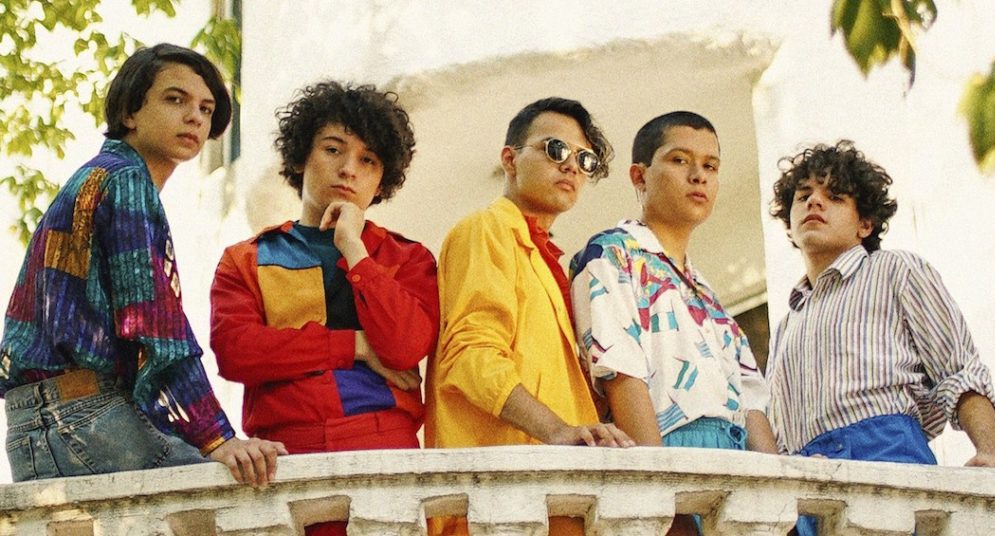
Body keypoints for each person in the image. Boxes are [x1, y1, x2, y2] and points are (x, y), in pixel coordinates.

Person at [0, 43, 285, 488]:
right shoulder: (125, 180)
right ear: (130, 112)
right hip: (82, 418)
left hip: (44, 422)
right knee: (244, 489)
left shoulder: (100, 176)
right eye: (175, 99)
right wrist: (217, 436)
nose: (195, 117)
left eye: (206, 109)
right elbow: (152, 322)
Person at [211, 81, 437, 536]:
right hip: (282, 459)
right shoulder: (246, 258)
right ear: (300, 157)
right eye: (333, 149)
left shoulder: (408, 258)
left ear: (382, 179)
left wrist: (353, 247)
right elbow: (237, 352)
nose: (349, 169)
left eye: (368, 160)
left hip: (383, 449)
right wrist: (354, 345)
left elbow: (405, 347)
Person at [766, 140, 995, 535]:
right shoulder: (786, 326)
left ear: (865, 224)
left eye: (834, 196)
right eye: (803, 195)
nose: (814, 202)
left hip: (889, 459)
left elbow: (960, 370)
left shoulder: (895, 271)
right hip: (810, 496)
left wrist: (990, 453)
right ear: (789, 223)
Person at [424, 97, 633, 535]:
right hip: (499, 504)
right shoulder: (485, 229)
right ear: (510, 159)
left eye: (585, 159)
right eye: (556, 149)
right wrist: (556, 430)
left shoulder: (546, 258)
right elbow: (471, 356)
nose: (571, 165)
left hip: (553, 497)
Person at [570, 111, 777, 536]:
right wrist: (663, 498)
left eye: (710, 166)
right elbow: (620, 374)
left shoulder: (705, 290)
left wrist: (775, 502)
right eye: (680, 160)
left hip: (736, 479)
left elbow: (750, 400)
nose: (698, 176)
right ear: (639, 176)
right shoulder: (611, 255)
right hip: (667, 462)